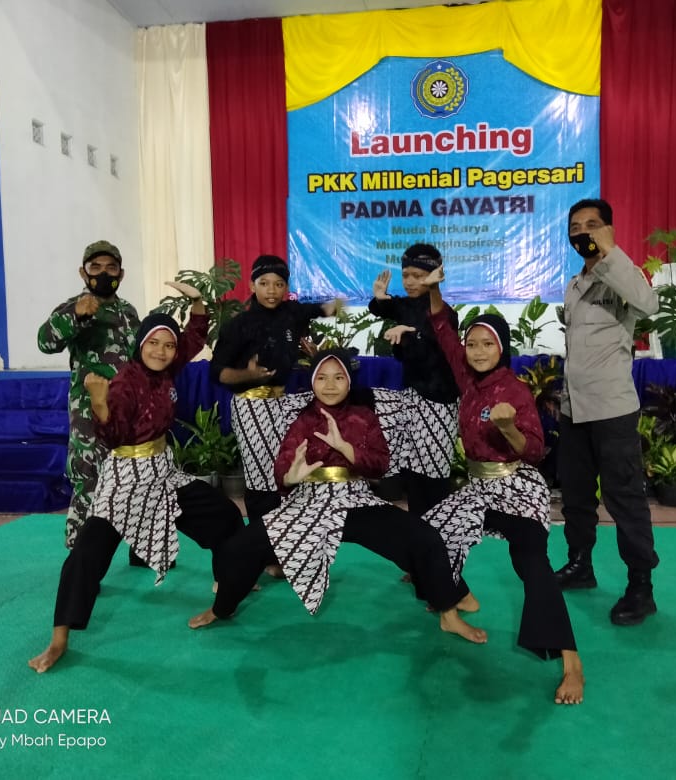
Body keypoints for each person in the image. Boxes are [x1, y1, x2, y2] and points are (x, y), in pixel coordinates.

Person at [187, 349, 485, 646]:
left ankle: (449, 614)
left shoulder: (363, 416)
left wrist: (347, 449)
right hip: (308, 505)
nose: (330, 385)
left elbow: (380, 464)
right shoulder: (302, 418)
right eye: (322, 378)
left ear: (349, 381)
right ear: (313, 381)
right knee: (240, 547)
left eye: (338, 377)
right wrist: (291, 477)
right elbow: (284, 465)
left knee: (426, 539)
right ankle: (221, 608)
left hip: (357, 502)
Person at [28, 286, 244, 673]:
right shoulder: (126, 382)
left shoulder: (168, 368)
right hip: (125, 480)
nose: (162, 351)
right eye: (154, 343)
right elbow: (114, 437)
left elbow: (193, 337)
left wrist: (197, 302)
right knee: (86, 554)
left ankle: (225, 594)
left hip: (162, 473)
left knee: (226, 515)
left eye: (168, 345)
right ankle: (59, 640)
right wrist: (99, 403)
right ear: (140, 344)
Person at [418, 267, 585, 705]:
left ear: (502, 348)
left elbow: (535, 451)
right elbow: (443, 329)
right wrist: (434, 288)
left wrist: (509, 428)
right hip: (478, 488)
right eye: (472, 344)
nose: (477, 351)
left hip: (516, 488)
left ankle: (571, 662)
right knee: (428, 536)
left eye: (487, 344)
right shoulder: (467, 377)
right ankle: (450, 611)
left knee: (531, 563)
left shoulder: (514, 390)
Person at [553, 198, 661, 627]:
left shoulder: (621, 275)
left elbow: (648, 304)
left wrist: (610, 251)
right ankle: (580, 564)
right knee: (576, 495)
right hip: (574, 409)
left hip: (612, 410)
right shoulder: (574, 285)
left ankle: (641, 587)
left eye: (592, 225)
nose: (583, 232)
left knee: (624, 499)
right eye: (576, 226)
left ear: (609, 230)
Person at [209, 255, 337, 541]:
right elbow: (217, 373)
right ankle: (259, 546)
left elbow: (323, 309)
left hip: (282, 403)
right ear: (252, 285)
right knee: (261, 477)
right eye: (264, 283)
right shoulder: (238, 325)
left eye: (279, 284)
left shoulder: (291, 313)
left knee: (286, 470)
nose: (271, 290)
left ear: (285, 288)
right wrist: (247, 375)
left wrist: (336, 307)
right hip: (251, 404)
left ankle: (285, 538)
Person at [37, 240, 140, 549]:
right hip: (89, 411)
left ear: (121, 274)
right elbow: (45, 342)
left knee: (135, 476)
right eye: (96, 267)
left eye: (111, 268)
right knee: (89, 479)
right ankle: (80, 556)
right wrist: (76, 315)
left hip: (127, 410)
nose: (104, 273)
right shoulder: (74, 307)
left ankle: (142, 547)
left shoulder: (129, 312)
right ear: (84, 273)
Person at [367, 243, 461, 517]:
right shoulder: (407, 305)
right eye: (406, 275)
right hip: (413, 398)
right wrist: (379, 297)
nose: (409, 281)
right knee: (414, 473)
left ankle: (440, 532)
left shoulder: (446, 313)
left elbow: (434, 337)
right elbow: (382, 308)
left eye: (417, 276)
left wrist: (410, 333)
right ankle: (420, 531)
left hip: (439, 403)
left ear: (434, 276)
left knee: (434, 475)